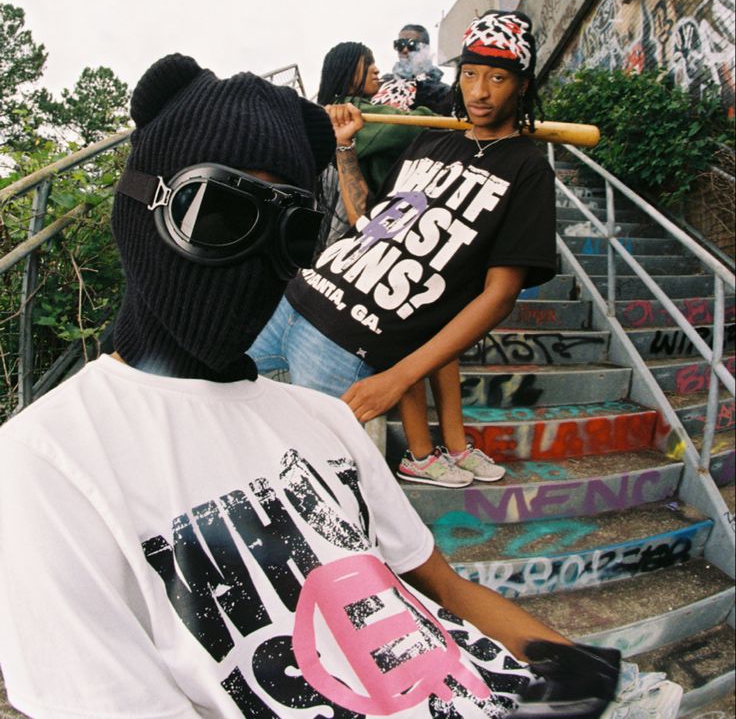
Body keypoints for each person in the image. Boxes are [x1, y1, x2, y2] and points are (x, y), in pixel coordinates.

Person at [0, 52, 628, 719]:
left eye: (295, 231)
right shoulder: (47, 462)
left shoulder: (325, 422)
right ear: (143, 202)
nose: (252, 255)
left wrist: (584, 676)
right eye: (216, 209)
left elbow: (440, 584)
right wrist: (348, 151)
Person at [249, 11, 554, 489]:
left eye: (496, 78)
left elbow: (499, 296)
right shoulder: (429, 141)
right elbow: (366, 219)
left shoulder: (527, 169)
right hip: (291, 297)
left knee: (302, 484)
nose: (478, 92)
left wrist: (398, 376)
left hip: (347, 343)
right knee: (194, 407)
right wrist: (345, 148)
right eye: (470, 74)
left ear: (521, 84)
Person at [316, 41, 434, 247]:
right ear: (347, 70)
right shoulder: (353, 113)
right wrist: (424, 113)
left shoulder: (337, 111)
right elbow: (414, 128)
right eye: (368, 62)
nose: (376, 69)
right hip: (367, 226)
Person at [371, 22, 452, 114]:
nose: (405, 50)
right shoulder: (382, 83)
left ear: (426, 49)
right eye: (400, 44)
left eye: (412, 44)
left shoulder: (442, 92)